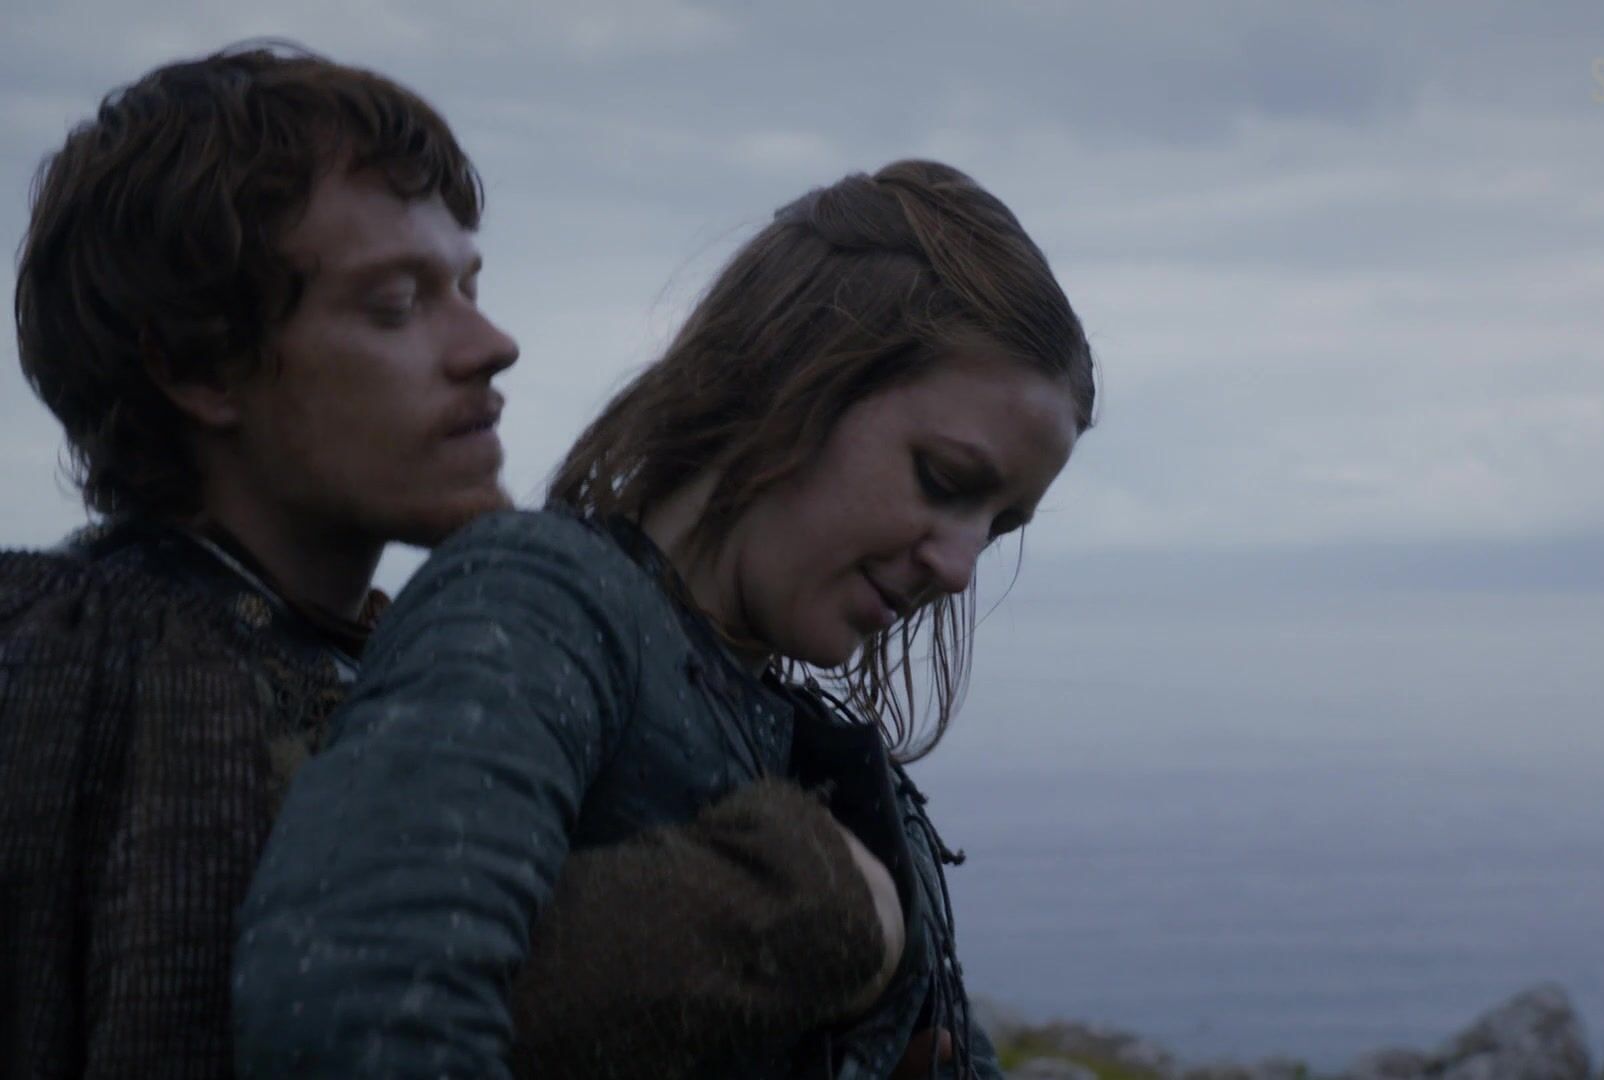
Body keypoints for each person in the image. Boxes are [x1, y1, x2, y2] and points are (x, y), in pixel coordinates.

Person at [1, 44, 891, 1079]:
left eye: (469, 285)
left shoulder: (353, 652)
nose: (491, 344)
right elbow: (287, 1017)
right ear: (197, 366)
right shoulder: (107, 670)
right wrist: (811, 897)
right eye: (396, 303)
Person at [233, 159, 1097, 1079]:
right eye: (944, 480)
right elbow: (354, 1007)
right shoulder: (544, 604)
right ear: (789, 379)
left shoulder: (786, 726)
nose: (959, 568)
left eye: (997, 527)